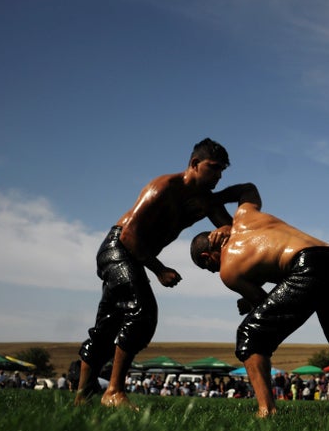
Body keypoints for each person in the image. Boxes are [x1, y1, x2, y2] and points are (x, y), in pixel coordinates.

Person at [189, 184, 329, 419]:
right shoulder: (246, 217)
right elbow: (248, 188)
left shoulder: (228, 270)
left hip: (307, 267)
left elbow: (263, 302)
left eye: (210, 268)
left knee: (250, 336)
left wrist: (248, 302)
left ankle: (266, 410)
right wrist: (215, 198)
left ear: (208, 256)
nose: (215, 272)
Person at [74, 138, 252, 408]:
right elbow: (130, 235)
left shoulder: (205, 202)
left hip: (134, 254)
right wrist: (159, 270)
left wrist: (227, 227)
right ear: (194, 164)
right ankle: (113, 391)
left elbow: (234, 222)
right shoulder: (163, 188)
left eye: (222, 171)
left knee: (108, 323)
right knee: (141, 312)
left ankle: (83, 395)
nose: (218, 176)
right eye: (213, 168)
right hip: (118, 248)